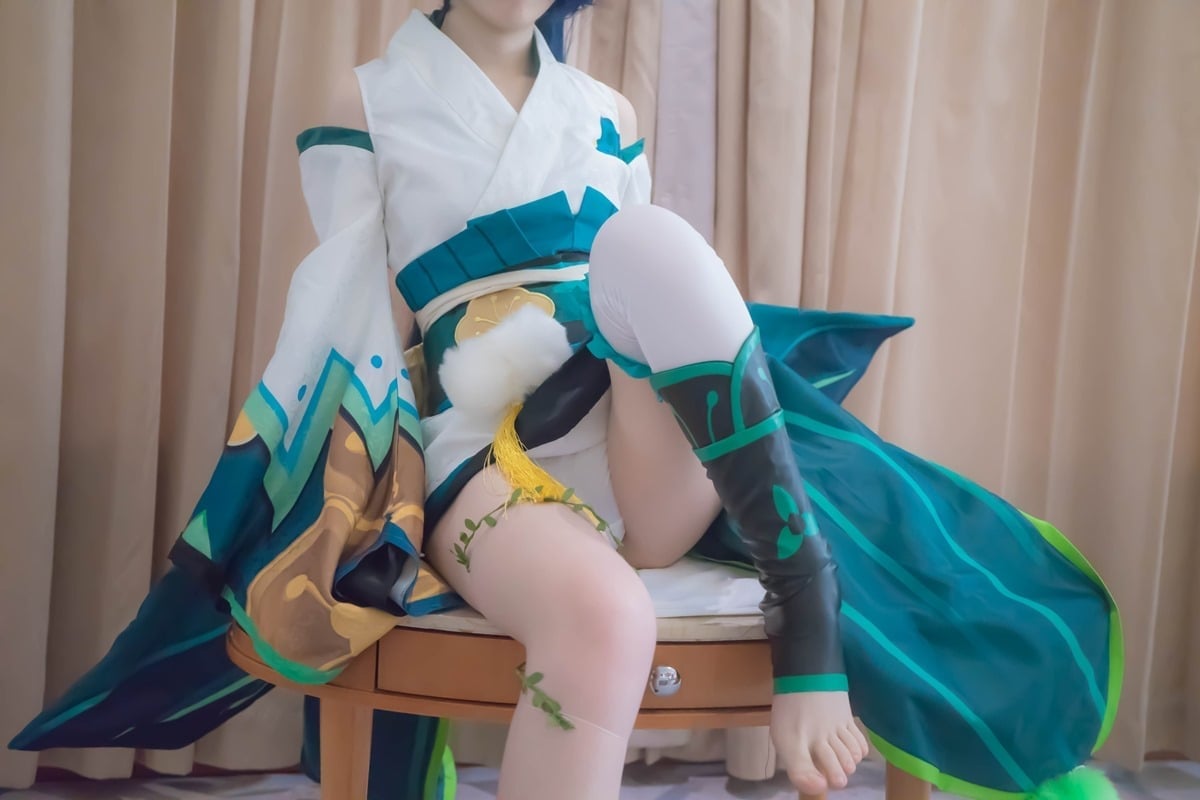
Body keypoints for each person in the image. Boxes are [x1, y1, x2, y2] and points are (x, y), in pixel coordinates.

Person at [11, 3, 1122, 800]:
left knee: (649, 241)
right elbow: (347, 322)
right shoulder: (367, 97)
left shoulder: (605, 109)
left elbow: (656, 309)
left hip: (634, 435)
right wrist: (353, 501)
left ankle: (808, 602)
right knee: (605, 619)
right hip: (484, 443)